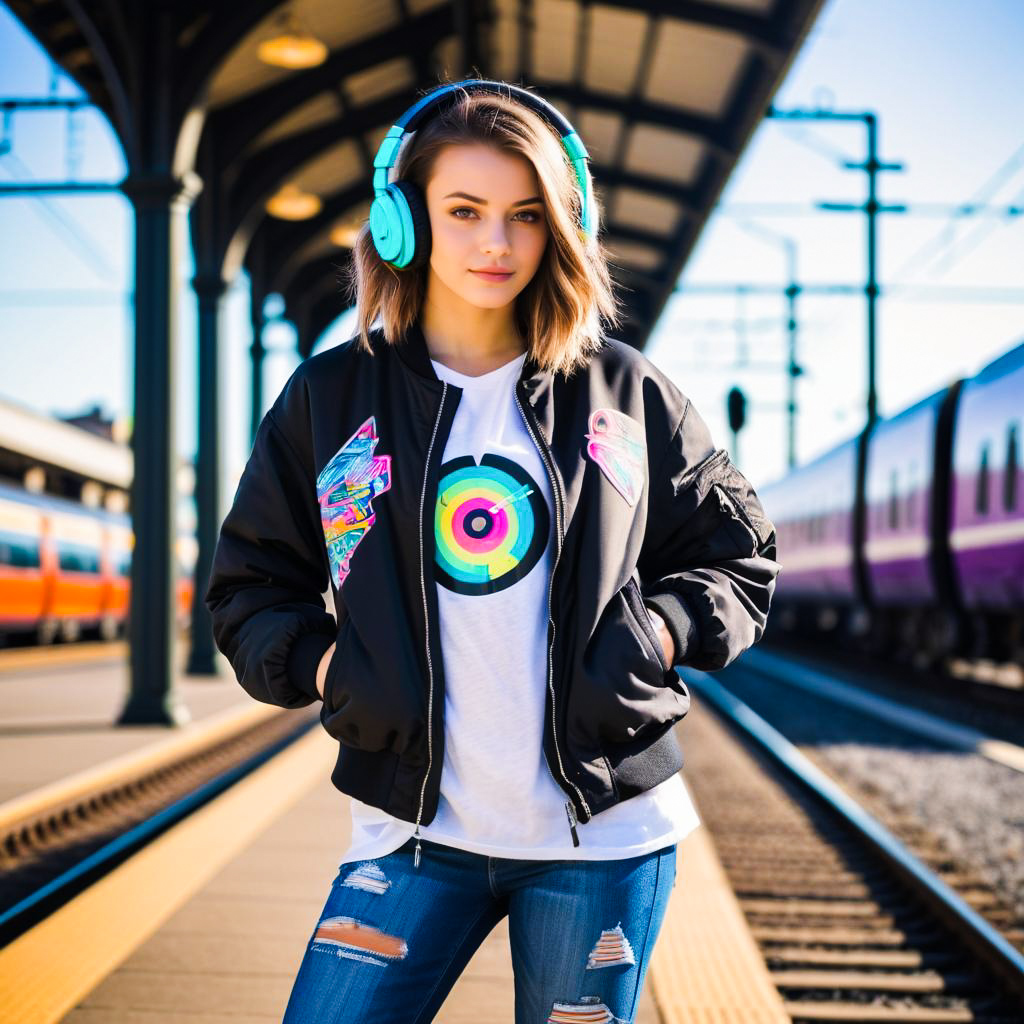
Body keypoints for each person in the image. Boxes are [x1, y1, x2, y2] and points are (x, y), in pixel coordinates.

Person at [205, 78, 780, 1024]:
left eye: (524, 215)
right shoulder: (332, 400)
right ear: (405, 223)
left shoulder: (622, 394)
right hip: (410, 835)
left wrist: (661, 637)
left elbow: (739, 553)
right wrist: (329, 666)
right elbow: (251, 584)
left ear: (562, 225)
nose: (496, 243)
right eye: (464, 211)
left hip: (605, 842)